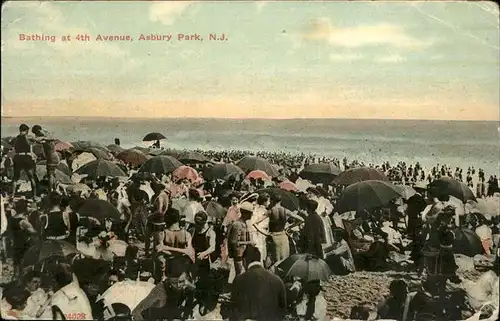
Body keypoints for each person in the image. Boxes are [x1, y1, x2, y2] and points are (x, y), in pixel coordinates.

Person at [229, 245, 287, 321]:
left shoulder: (239, 280)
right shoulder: (277, 280)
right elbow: (283, 310)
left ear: (244, 261)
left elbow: (235, 309)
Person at [132, 255, 195, 321]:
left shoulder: (188, 288)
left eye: (181, 281)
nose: (178, 285)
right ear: (168, 279)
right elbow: (136, 312)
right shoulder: (160, 290)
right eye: (174, 282)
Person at [255, 193, 304, 265]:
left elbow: (255, 223)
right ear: (280, 201)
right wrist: (290, 227)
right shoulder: (285, 210)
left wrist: (265, 233)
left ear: (272, 201)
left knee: (276, 260)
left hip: (274, 237)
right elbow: (301, 219)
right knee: (284, 259)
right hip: (283, 236)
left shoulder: (271, 211)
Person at [188, 211, 217, 314]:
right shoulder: (192, 230)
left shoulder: (210, 232)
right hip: (193, 259)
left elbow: (212, 247)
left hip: (204, 260)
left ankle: (202, 302)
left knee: (204, 282)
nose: (197, 225)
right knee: (191, 280)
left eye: (199, 224)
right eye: (196, 223)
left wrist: (204, 253)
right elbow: (189, 243)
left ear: (204, 222)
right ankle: (189, 301)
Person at [8, 199, 38, 276]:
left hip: (14, 243)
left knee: (16, 264)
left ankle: (15, 281)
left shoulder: (11, 219)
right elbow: (34, 232)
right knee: (24, 265)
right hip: (24, 244)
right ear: (25, 209)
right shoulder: (23, 221)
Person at [227, 201, 253, 278]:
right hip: (239, 256)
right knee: (240, 275)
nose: (252, 215)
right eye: (250, 213)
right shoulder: (237, 224)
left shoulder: (244, 223)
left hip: (243, 254)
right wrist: (249, 242)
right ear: (245, 213)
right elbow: (234, 242)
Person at [11, 124, 36, 200]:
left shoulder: (16, 138)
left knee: (15, 178)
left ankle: (12, 195)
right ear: (27, 130)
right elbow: (37, 141)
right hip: (26, 157)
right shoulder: (28, 137)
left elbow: (12, 145)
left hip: (18, 157)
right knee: (31, 177)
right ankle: (34, 195)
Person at [32, 125, 59, 194]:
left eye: (35, 133)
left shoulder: (44, 138)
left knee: (50, 175)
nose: (35, 135)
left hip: (51, 157)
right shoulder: (49, 136)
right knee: (53, 174)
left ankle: (50, 191)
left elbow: (37, 140)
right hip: (55, 156)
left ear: (38, 131)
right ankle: (54, 189)